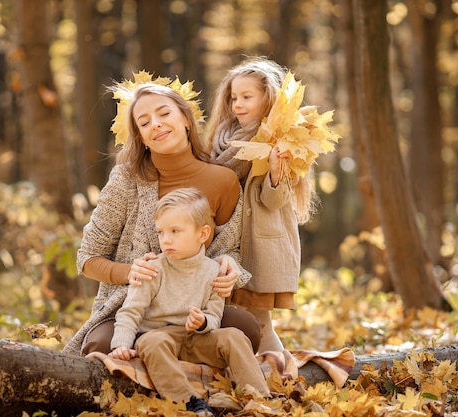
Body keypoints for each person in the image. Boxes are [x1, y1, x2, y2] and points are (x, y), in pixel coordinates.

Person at [62, 80, 262, 357]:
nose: (155, 124)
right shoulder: (126, 180)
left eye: (164, 114)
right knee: (98, 346)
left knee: (248, 329)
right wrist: (129, 272)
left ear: (186, 120)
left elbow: (228, 251)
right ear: (141, 138)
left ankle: (174, 365)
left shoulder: (223, 180)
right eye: (144, 123)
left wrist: (229, 266)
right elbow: (87, 259)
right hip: (132, 311)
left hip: (193, 312)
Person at [110, 187, 270, 415]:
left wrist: (203, 321)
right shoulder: (153, 269)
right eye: (161, 232)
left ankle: (260, 399)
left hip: (198, 338)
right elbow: (130, 312)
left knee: (233, 336)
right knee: (149, 343)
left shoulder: (215, 271)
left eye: (175, 231)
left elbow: (215, 316)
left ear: (202, 234)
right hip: (161, 337)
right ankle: (190, 404)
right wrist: (121, 344)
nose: (166, 240)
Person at [205, 57, 318, 353]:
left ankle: (281, 374)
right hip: (226, 240)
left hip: (259, 244)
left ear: (268, 101)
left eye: (246, 97)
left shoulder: (281, 142)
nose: (237, 105)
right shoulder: (222, 140)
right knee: (227, 314)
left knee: (258, 319)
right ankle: (246, 368)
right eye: (233, 98)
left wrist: (275, 171)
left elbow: (273, 201)